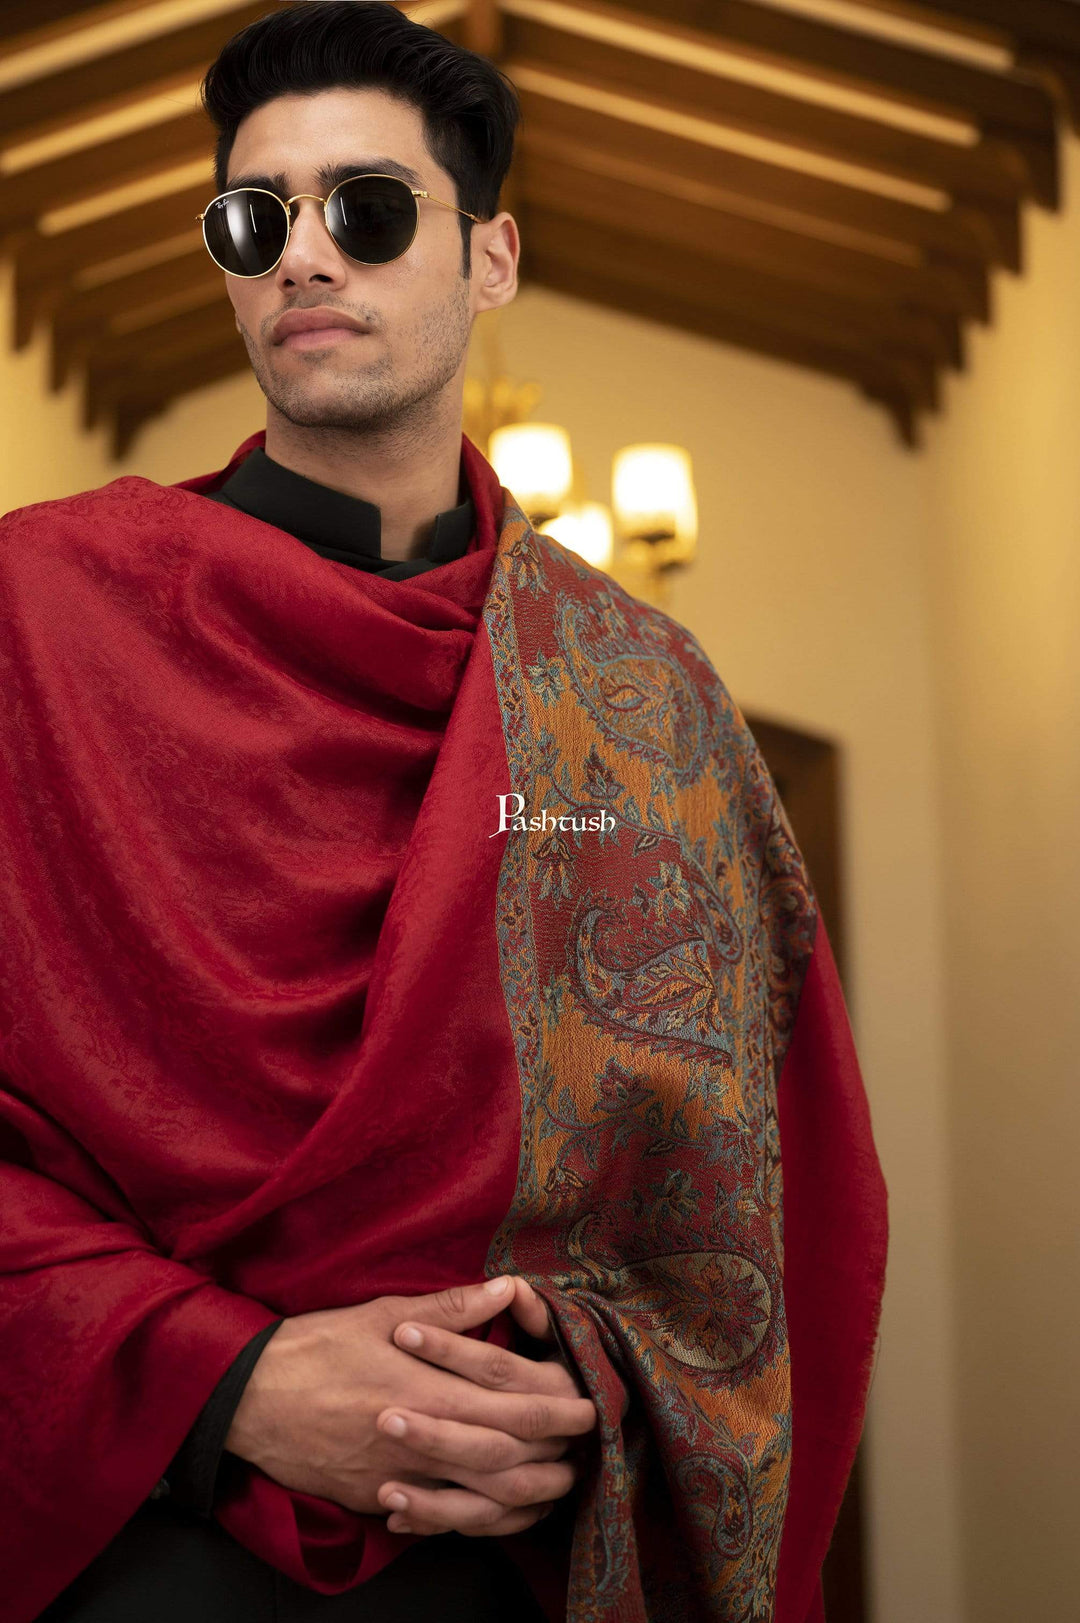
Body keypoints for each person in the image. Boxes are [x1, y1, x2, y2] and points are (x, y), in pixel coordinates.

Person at [0, 5, 887, 1621]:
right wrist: (225, 1382)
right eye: (253, 219)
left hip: (519, 1554)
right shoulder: (41, 620)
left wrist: (566, 1386)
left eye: (369, 208)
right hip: (137, 1536)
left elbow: (769, 1213)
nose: (303, 257)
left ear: (490, 258)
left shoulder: (644, 696)